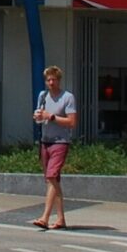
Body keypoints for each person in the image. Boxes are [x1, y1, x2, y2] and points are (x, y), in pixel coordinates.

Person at [31, 65, 76, 231]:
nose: (51, 82)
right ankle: (61, 218)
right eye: (48, 80)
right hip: (45, 142)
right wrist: (38, 117)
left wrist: (51, 117)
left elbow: (72, 122)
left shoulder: (67, 97)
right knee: (52, 180)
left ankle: (45, 217)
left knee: (51, 177)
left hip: (60, 142)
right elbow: (40, 118)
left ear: (59, 80)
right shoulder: (42, 96)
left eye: (53, 80)